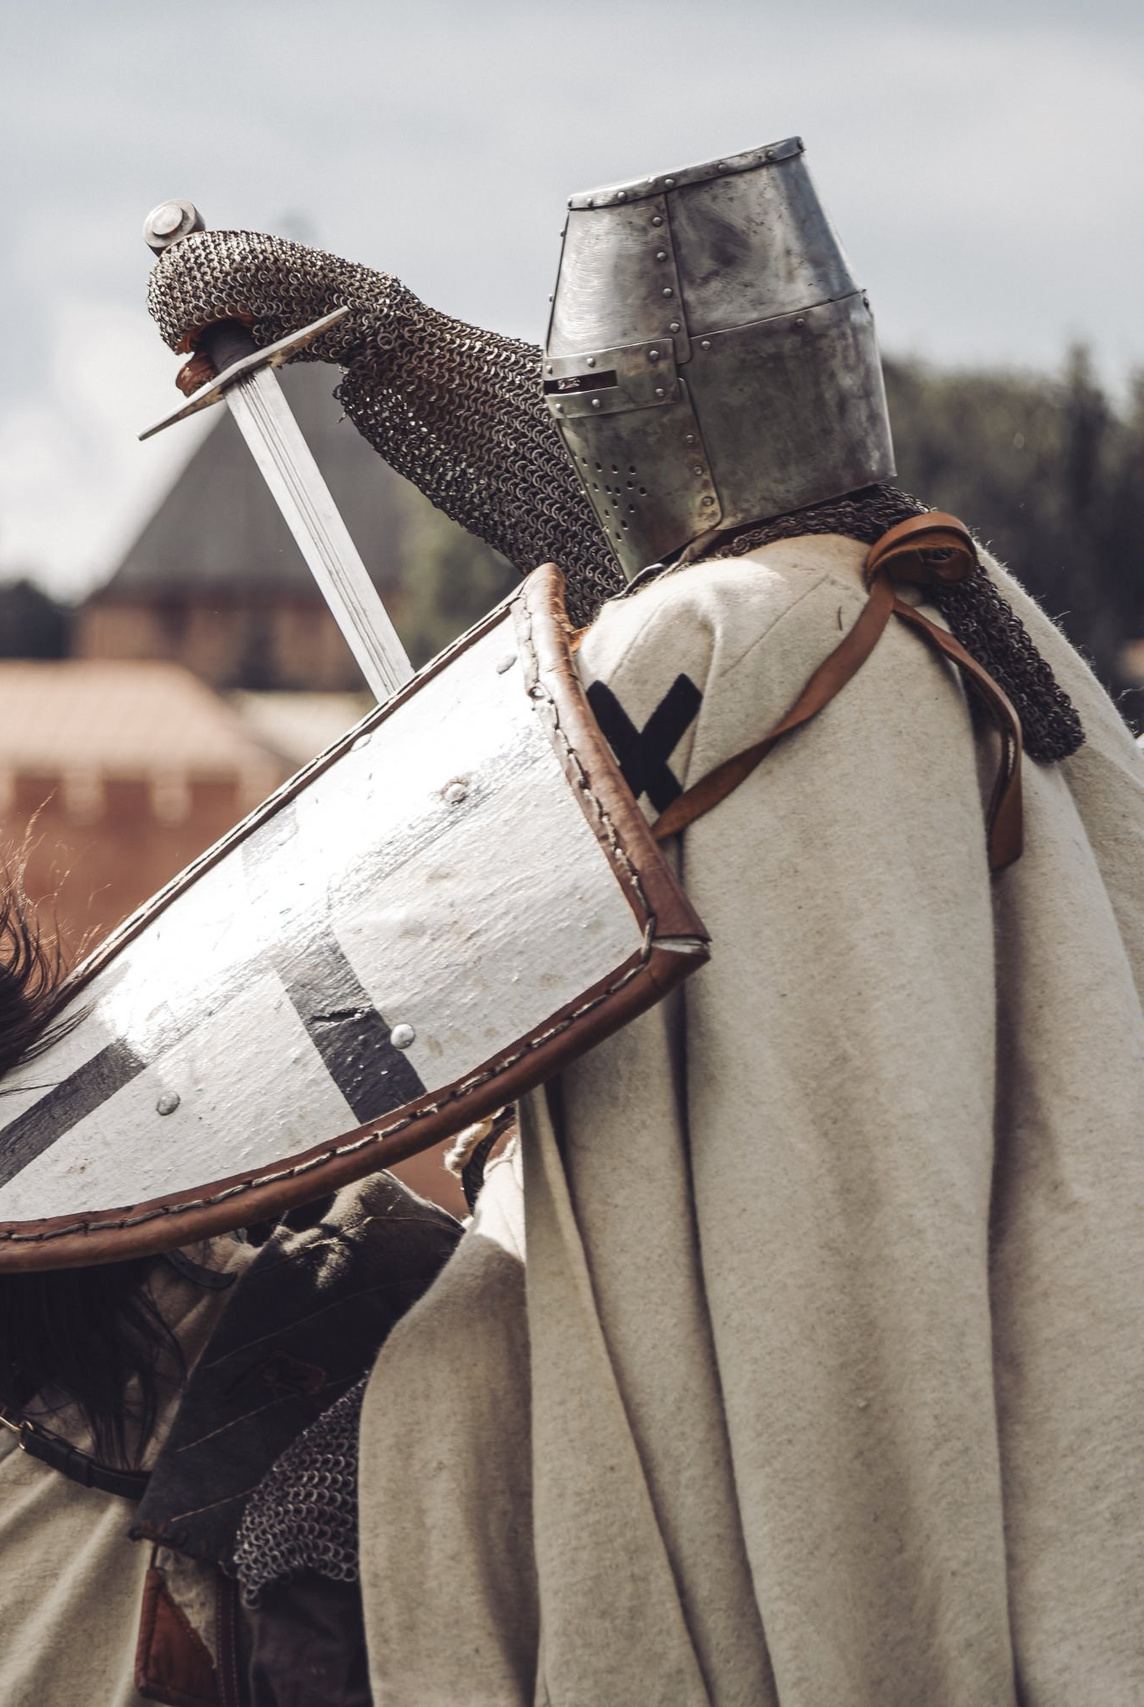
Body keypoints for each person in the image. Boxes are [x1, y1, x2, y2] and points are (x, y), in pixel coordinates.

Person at [147, 138, 1144, 1704]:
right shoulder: (954, 592)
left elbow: (458, 952)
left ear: (617, 410)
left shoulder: (708, 631)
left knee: (322, 1531)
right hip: (1021, 1274)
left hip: (735, 1287)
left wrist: (490, 1122)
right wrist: (384, 337)